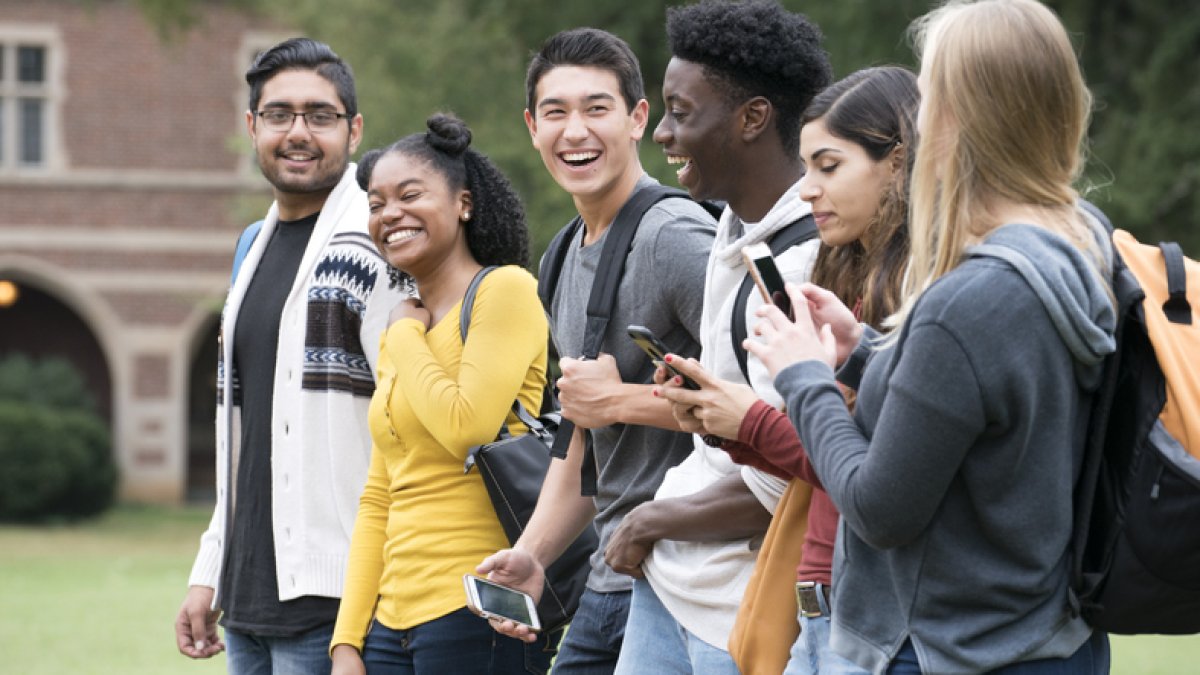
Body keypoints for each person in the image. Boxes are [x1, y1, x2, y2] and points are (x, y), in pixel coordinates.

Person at [749, 0, 1115, 672]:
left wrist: (803, 378)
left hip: (954, 650)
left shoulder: (969, 299)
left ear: (952, 119)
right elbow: (995, 413)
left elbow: (880, 508)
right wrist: (863, 349)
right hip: (1053, 639)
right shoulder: (1083, 240)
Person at [656, 65, 918, 675]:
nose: (807, 190)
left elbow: (868, 477)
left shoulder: (925, 296)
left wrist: (751, 422)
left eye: (828, 167)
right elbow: (829, 457)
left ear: (899, 164)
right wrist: (725, 420)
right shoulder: (856, 280)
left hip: (873, 608)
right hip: (827, 595)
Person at [599, 2, 833, 672]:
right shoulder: (732, 229)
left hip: (741, 613)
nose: (664, 134)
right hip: (672, 587)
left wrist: (647, 521)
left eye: (680, 111)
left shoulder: (805, 262)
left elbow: (786, 479)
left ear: (753, 118)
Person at [476, 27, 716, 673]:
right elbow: (581, 439)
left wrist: (621, 399)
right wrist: (533, 553)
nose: (574, 130)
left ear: (638, 118)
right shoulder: (560, 256)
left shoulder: (675, 237)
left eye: (596, 108)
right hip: (608, 575)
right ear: (531, 126)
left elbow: (766, 403)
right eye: (555, 112)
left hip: (689, 582)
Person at [174, 37, 406, 674]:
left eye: (320, 116)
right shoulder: (251, 246)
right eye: (279, 115)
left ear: (354, 130)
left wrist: (359, 618)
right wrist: (208, 571)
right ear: (252, 127)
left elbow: (408, 431)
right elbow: (242, 435)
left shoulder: (382, 241)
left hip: (334, 603)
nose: (297, 132)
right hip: (247, 602)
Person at [328, 113, 554, 675]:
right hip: (391, 621)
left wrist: (404, 332)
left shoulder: (505, 290)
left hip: (478, 608)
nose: (390, 215)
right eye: (376, 204)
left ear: (464, 204)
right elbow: (380, 495)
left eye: (410, 195)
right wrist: (347, 640)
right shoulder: (403, 331)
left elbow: (466, 426)